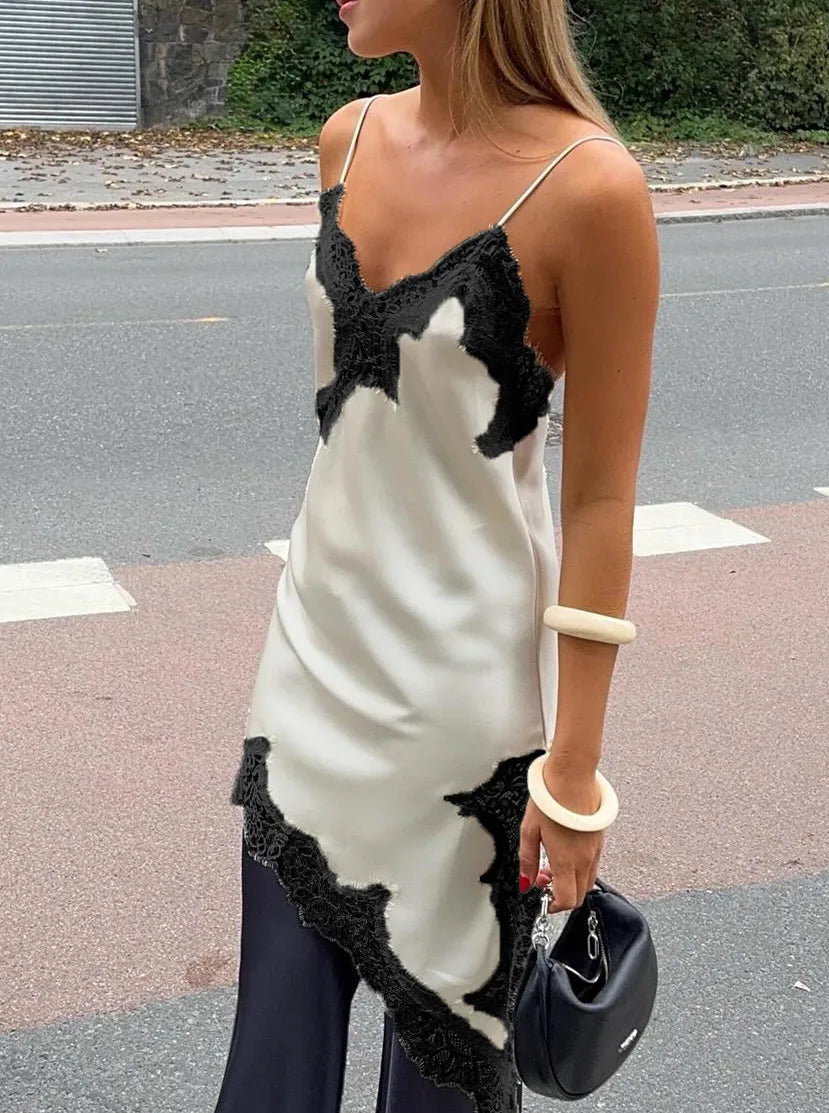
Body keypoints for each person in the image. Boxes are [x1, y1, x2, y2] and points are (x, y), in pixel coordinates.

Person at [214, 2, 659, 1111]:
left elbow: (600, 496)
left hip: (464, 727)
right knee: (269, 1070)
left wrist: (573, 776)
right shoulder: (348, 137)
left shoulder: (590, 190)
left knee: (439, 1086)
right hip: (309, 674)